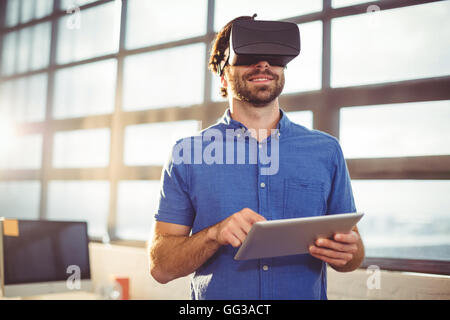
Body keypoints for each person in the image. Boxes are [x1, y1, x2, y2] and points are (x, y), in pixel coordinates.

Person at [149, 16, 364, 300]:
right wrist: (214, 234)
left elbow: (354, 254)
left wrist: (350, 253)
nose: (263, 64)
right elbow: (160, 268)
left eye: (274, 57)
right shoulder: (187, 154)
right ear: (223, 74)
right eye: (249, 55)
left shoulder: (326, 151)